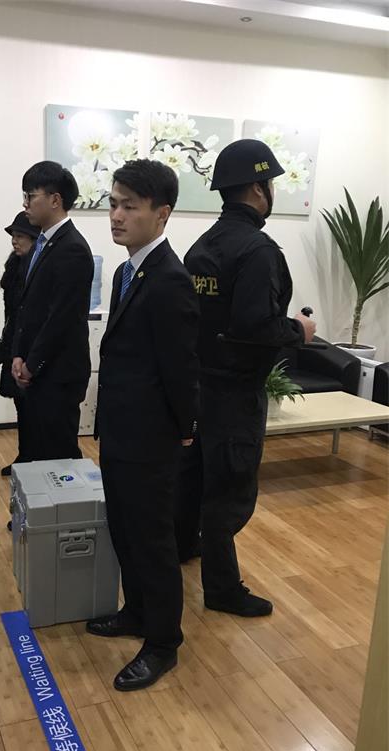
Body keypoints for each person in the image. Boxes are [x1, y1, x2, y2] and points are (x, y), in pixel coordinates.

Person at [174, 138, 316, 616]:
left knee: (194, 477)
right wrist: (299, 330)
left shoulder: (201, 247)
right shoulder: (257, 250)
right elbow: (255, 327)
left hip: (198, 386)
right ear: (258, 189)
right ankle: (222, 589)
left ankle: (183, 546)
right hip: (235, 393)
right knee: (230, 490)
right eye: (271, 183)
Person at [87, 159, 200, 692]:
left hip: (152, 437)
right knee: (124, 528)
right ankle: (135, 612)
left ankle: (163, 642)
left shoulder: (171, 281)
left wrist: (184, 427)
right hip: (120, 428)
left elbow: (181, 366)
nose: (116, 215)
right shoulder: (126, 271)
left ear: (162, 213)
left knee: (153, 539)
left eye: (130, 206)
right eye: (113, 203)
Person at [11, 161, 94, 461]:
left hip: (58, 374)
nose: (25, 204)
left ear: (55, 200)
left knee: (58, 459)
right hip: (36, 370)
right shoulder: (42, 244)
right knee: (36, 454)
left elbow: (62, 318)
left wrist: (32, 364)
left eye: (31, 196)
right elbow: (26, 308)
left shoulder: (72, 248)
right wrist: (18, 355)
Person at [0, 212, 40, 477]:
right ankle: (24, 456)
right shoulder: (15, 266)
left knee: (33, 408)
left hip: (32, 349)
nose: (15, 241)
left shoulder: (38, 268)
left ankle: (33, 459)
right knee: (21, 406)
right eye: (13, 236)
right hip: (14, 343)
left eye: (21, 236)